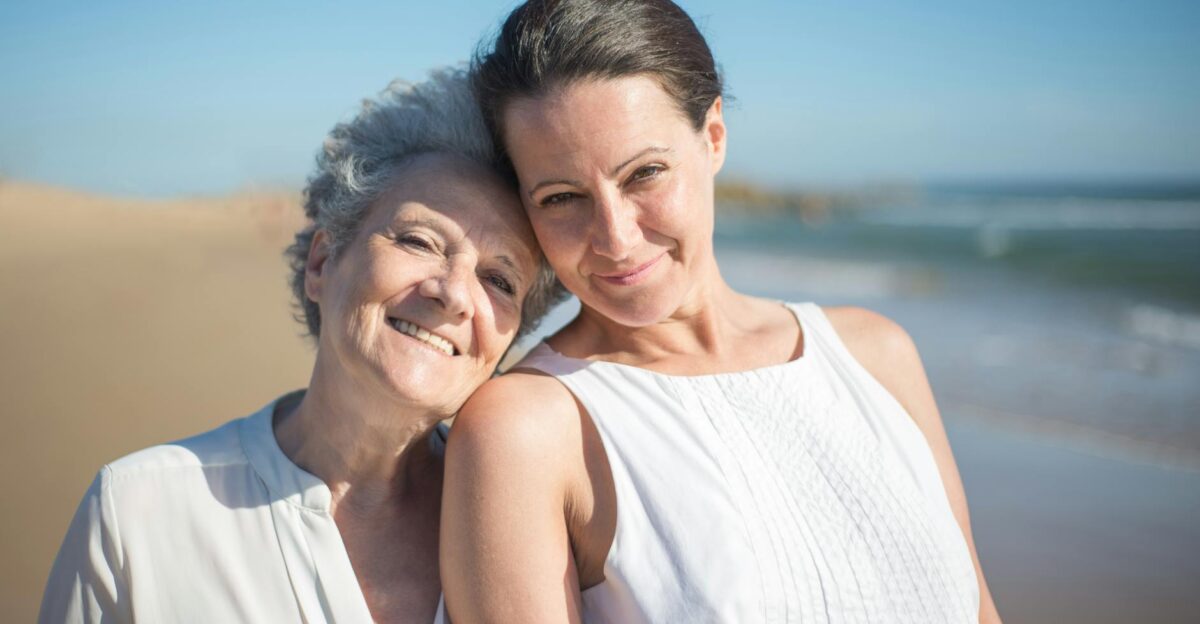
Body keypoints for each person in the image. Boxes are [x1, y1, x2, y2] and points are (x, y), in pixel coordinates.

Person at [440, 1, 1003, 622]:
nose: (616, 238)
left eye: (645, 173)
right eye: (562, 197)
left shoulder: (877, 356)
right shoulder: (525, 429)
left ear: (713, 137)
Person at [39, 68, 559, 623]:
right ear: (321, 262)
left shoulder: (535, 526)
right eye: (420, 240)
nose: (454, 293)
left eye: (499, 281)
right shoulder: (140, 512)